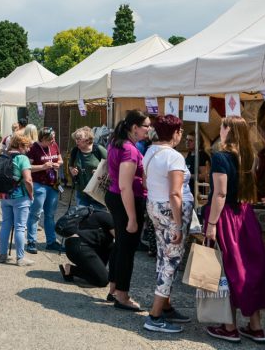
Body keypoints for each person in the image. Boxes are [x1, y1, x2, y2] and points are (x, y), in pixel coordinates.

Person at [203, 116, 265, 344]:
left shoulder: (221, 157)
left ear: (227, 130)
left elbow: (219, 194)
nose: (219, 130)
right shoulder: (250, 157)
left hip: (226, 218)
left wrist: (211, 225)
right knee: (249, 270)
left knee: (227, 270)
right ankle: (256, 326)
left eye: (222, 126)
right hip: (245, 216)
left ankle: (229, 327)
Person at [141, 114, 194, 334]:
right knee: (170, 261)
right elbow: (175, 193)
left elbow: (146, 181)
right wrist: (179, 225)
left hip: (155, 207)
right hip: (170, 212)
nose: (181, 134)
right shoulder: (174, 157)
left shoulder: (150, 151)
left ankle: (165, 306)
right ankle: (154, 315)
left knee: (163, 257)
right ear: (175, 133)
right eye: (180, 131)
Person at [105, 110, 150, 311]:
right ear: (134, 128)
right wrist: (132, 217)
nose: (149, 129)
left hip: (117, 197)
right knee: (127, 250)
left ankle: (114, 288)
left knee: (120, 245)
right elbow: (125, 185)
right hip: (126, 200)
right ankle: (122, 295)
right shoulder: (129, 150)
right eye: (146, 125)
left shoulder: (116, 142)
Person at [0, 133, 34, 266]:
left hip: (4, 195)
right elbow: (28, 180)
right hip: (20, 196)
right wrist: (31, 194)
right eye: (27, 146)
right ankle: (20, 258)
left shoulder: (3, 155)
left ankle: (2, 255)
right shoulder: (22, 158)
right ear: (20, 145)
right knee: (20, 227)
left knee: (6, 224)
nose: (29, 149)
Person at [26, 127, 63, 254]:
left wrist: (58, 164)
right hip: (39, 184)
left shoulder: (54, 145)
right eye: (50, 139)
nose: (53, 140)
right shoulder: (33, 148)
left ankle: (51, 242)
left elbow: (60, 159)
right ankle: (31, 241)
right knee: (35, 214)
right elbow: (28, 167)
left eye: (54, 138)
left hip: (53, 184)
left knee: (50, 215)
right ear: (43, 138)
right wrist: (42, 166)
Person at [58, 209, 115, 287]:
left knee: (110, 246)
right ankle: (71, 270)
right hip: (80, 247)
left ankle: (89, 270)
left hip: (75, 245)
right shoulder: (110, 219)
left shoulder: (101, 214)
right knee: (103, 280)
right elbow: (121, 243)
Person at [69, 126, 107, 208]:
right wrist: (72, 170)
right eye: (76, 139)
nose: (77, 141)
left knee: (97, 217)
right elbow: (70, 166)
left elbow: (111, 166)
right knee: (83, 218)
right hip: (81, 192)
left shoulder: (99, 150)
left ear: (88, 140)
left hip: (97, 192)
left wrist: (100, 171)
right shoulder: (75, 150)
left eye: (79, 139)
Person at [184, 132, 211, 197]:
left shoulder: (202, 156)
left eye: (190, 140)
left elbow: (205, 176)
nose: (187, 142)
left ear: (198, 142)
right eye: (186, 140)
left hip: (199, 195)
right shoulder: (189, 154)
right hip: (189, 193)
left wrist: (187, 176)